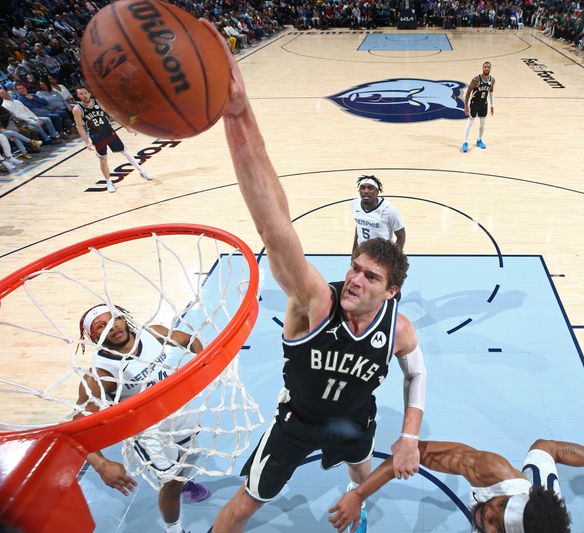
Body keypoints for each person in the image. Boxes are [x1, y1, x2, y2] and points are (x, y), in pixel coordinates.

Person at [205, 19, 427, 533]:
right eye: (354, 269)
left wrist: (410, 433)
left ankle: (359, 496)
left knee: (359, 465)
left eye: (370, 278)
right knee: (245, 504)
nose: (354, 280)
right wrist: (240, 114)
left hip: (355, 420)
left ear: (390, 291)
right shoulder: (314, 301)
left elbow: (417, 374)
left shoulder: (398, 327)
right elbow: (275, 225)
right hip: (296, 422)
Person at [329, 432, 584, 533]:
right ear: (504, 499)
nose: (486, 520)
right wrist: (359, 494)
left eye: (496, 527)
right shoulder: (489, 471)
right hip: (524, 490)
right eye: (496, 512)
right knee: (542, 449)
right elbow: (415, 452)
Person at [75, 304, 210, 533]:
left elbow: (187, 339)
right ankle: (174, 529)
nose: (111, 326)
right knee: (170, 484)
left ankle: (183, 481)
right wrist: (100, 464)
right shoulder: (101, 374)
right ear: (93, 336)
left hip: (180, 411)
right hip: (150, 431)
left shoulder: (152, 333)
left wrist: (205, 363)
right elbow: (78, 426)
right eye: (101, 326)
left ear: (123, 318)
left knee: (188, 458)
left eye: (113, 319)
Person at [72, 86, 153, 193]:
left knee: (126, 152)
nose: (84, 95)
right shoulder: (77, 109)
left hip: (109, 131)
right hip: (96, 136)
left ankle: (142, 171)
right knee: (103, 159)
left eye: (85, 93)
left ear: (89, 93)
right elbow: (79, 126)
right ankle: (109, 181)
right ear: (78, 96)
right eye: (81, 94)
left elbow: (113, 115)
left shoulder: (99, 102)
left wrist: (126, 127)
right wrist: (86, 141)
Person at [351, 175, 406, 255]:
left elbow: (401, 236)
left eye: (370, 188)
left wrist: (393, 259)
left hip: (382, 255)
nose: (366, 191)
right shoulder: (354, 204)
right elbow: (359, 226)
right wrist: (354, 253)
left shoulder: (389, 210)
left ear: (377, 191)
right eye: (362, 188)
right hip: (363, 253)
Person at [462, 61, 495, 153]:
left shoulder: (492, 79)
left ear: (490, 68)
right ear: (482, 68)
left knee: (483, 124)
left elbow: (491, 92)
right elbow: (468, 92)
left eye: (488, 67)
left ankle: (479, 140)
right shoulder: (476, 79)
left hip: (484, 104)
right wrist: (465, 105)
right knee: (470, 123)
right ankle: (465, 142)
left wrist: (492, 105)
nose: (486, 68)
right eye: (485, 67)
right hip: (474, 103)